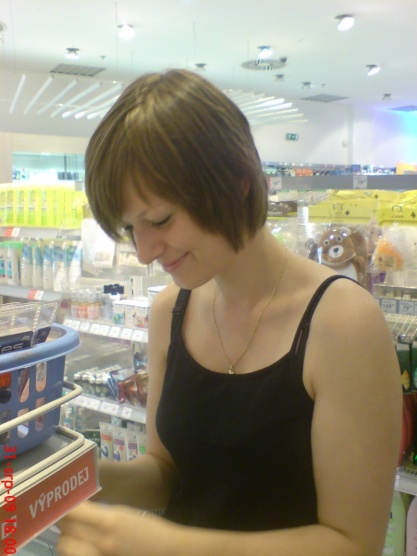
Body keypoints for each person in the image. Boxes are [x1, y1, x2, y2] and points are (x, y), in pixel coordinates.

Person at [57, 69, 402, 556]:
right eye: (131, 229)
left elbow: (353, 542)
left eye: (160, 220)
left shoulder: (343, 324)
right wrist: (74, 479)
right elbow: (167, 473)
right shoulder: (170, 311)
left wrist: (166, 545)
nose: (145, 252)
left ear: (236, 182)